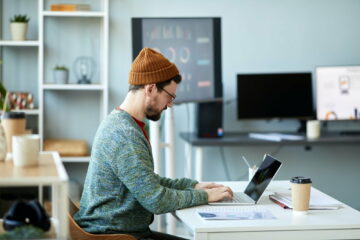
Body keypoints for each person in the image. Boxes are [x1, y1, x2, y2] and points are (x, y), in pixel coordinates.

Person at [74, 48, 233, 240]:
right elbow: (155, 200)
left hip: (123, 231)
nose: (170, 104)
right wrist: (206, 196)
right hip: (114, 236)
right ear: (150, 88)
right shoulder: (124, 134)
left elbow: (147, 182)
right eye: (169, 96)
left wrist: (194, 186)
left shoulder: (126, 124)